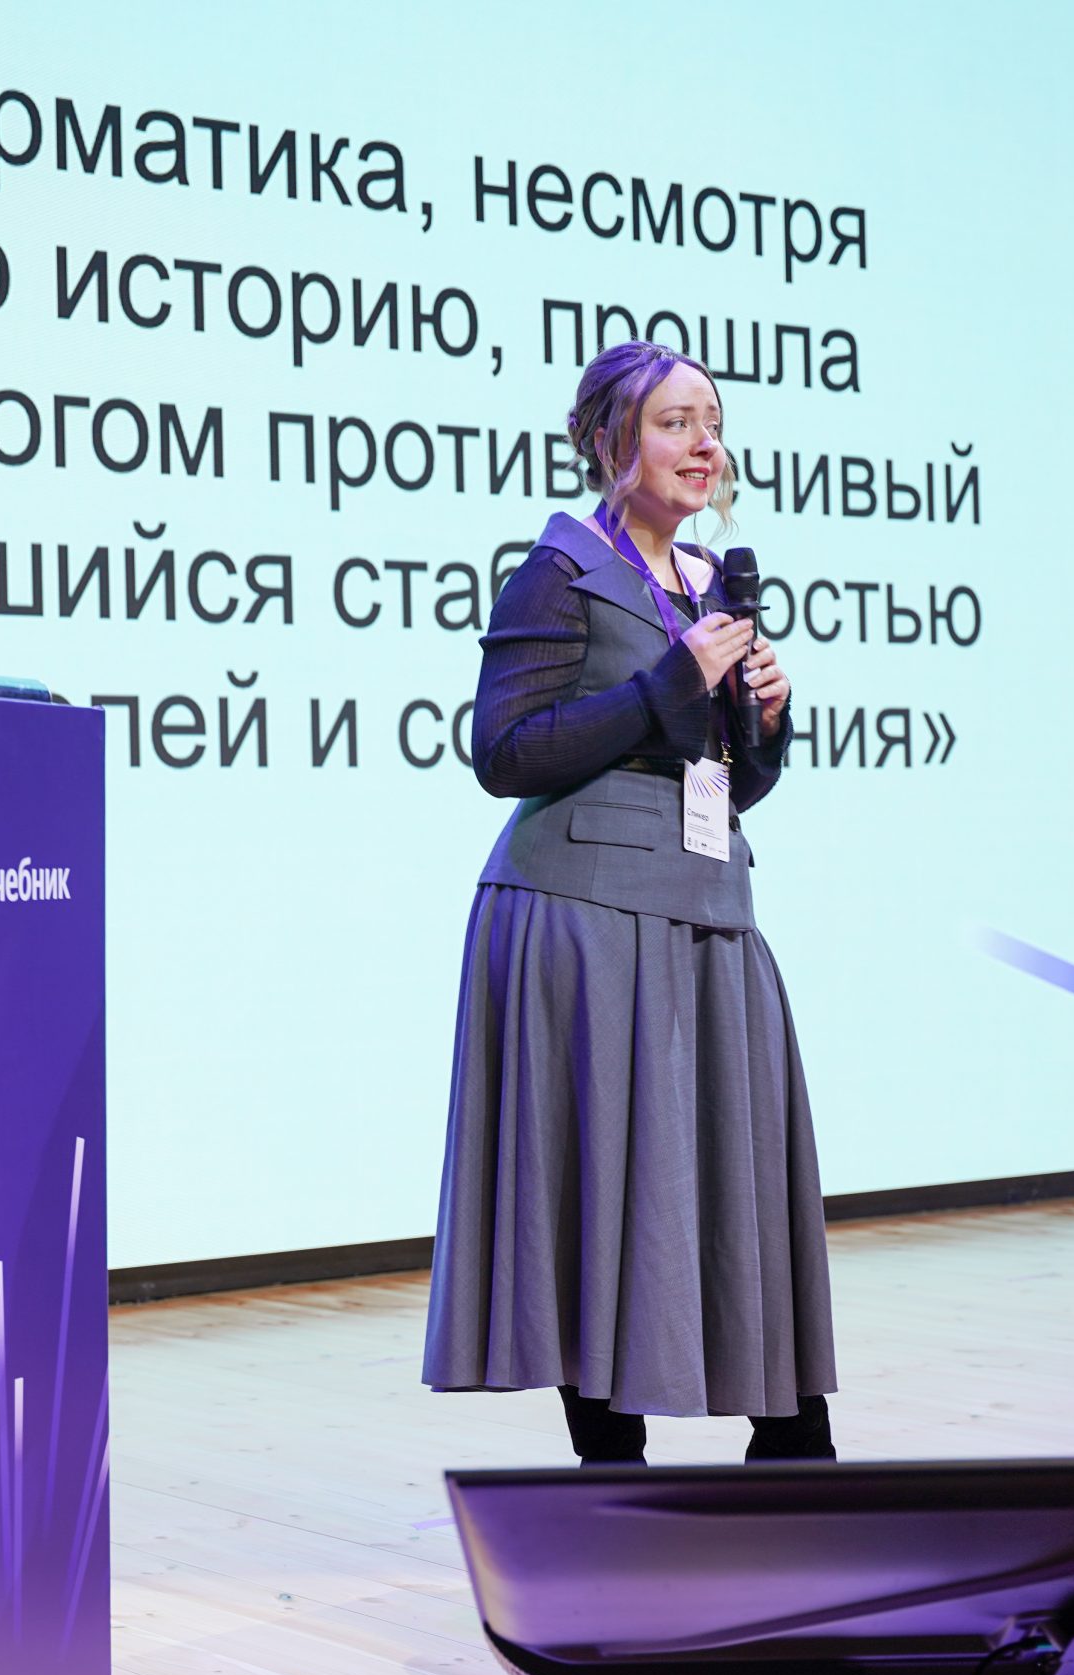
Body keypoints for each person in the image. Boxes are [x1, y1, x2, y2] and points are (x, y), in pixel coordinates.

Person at [420, 340, 836, 1466]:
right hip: (582, 916)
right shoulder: (561, 571)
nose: (704, 445)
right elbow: (505, 752)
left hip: (707, 913)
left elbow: (729, 783)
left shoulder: (706, 583)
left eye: (713, 422)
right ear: (613, 441)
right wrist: (669, 683)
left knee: (735, 1175)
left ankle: (792, 1447)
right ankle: (613, 1468)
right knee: (595, 1186)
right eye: (674, 423)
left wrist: (765, 721)